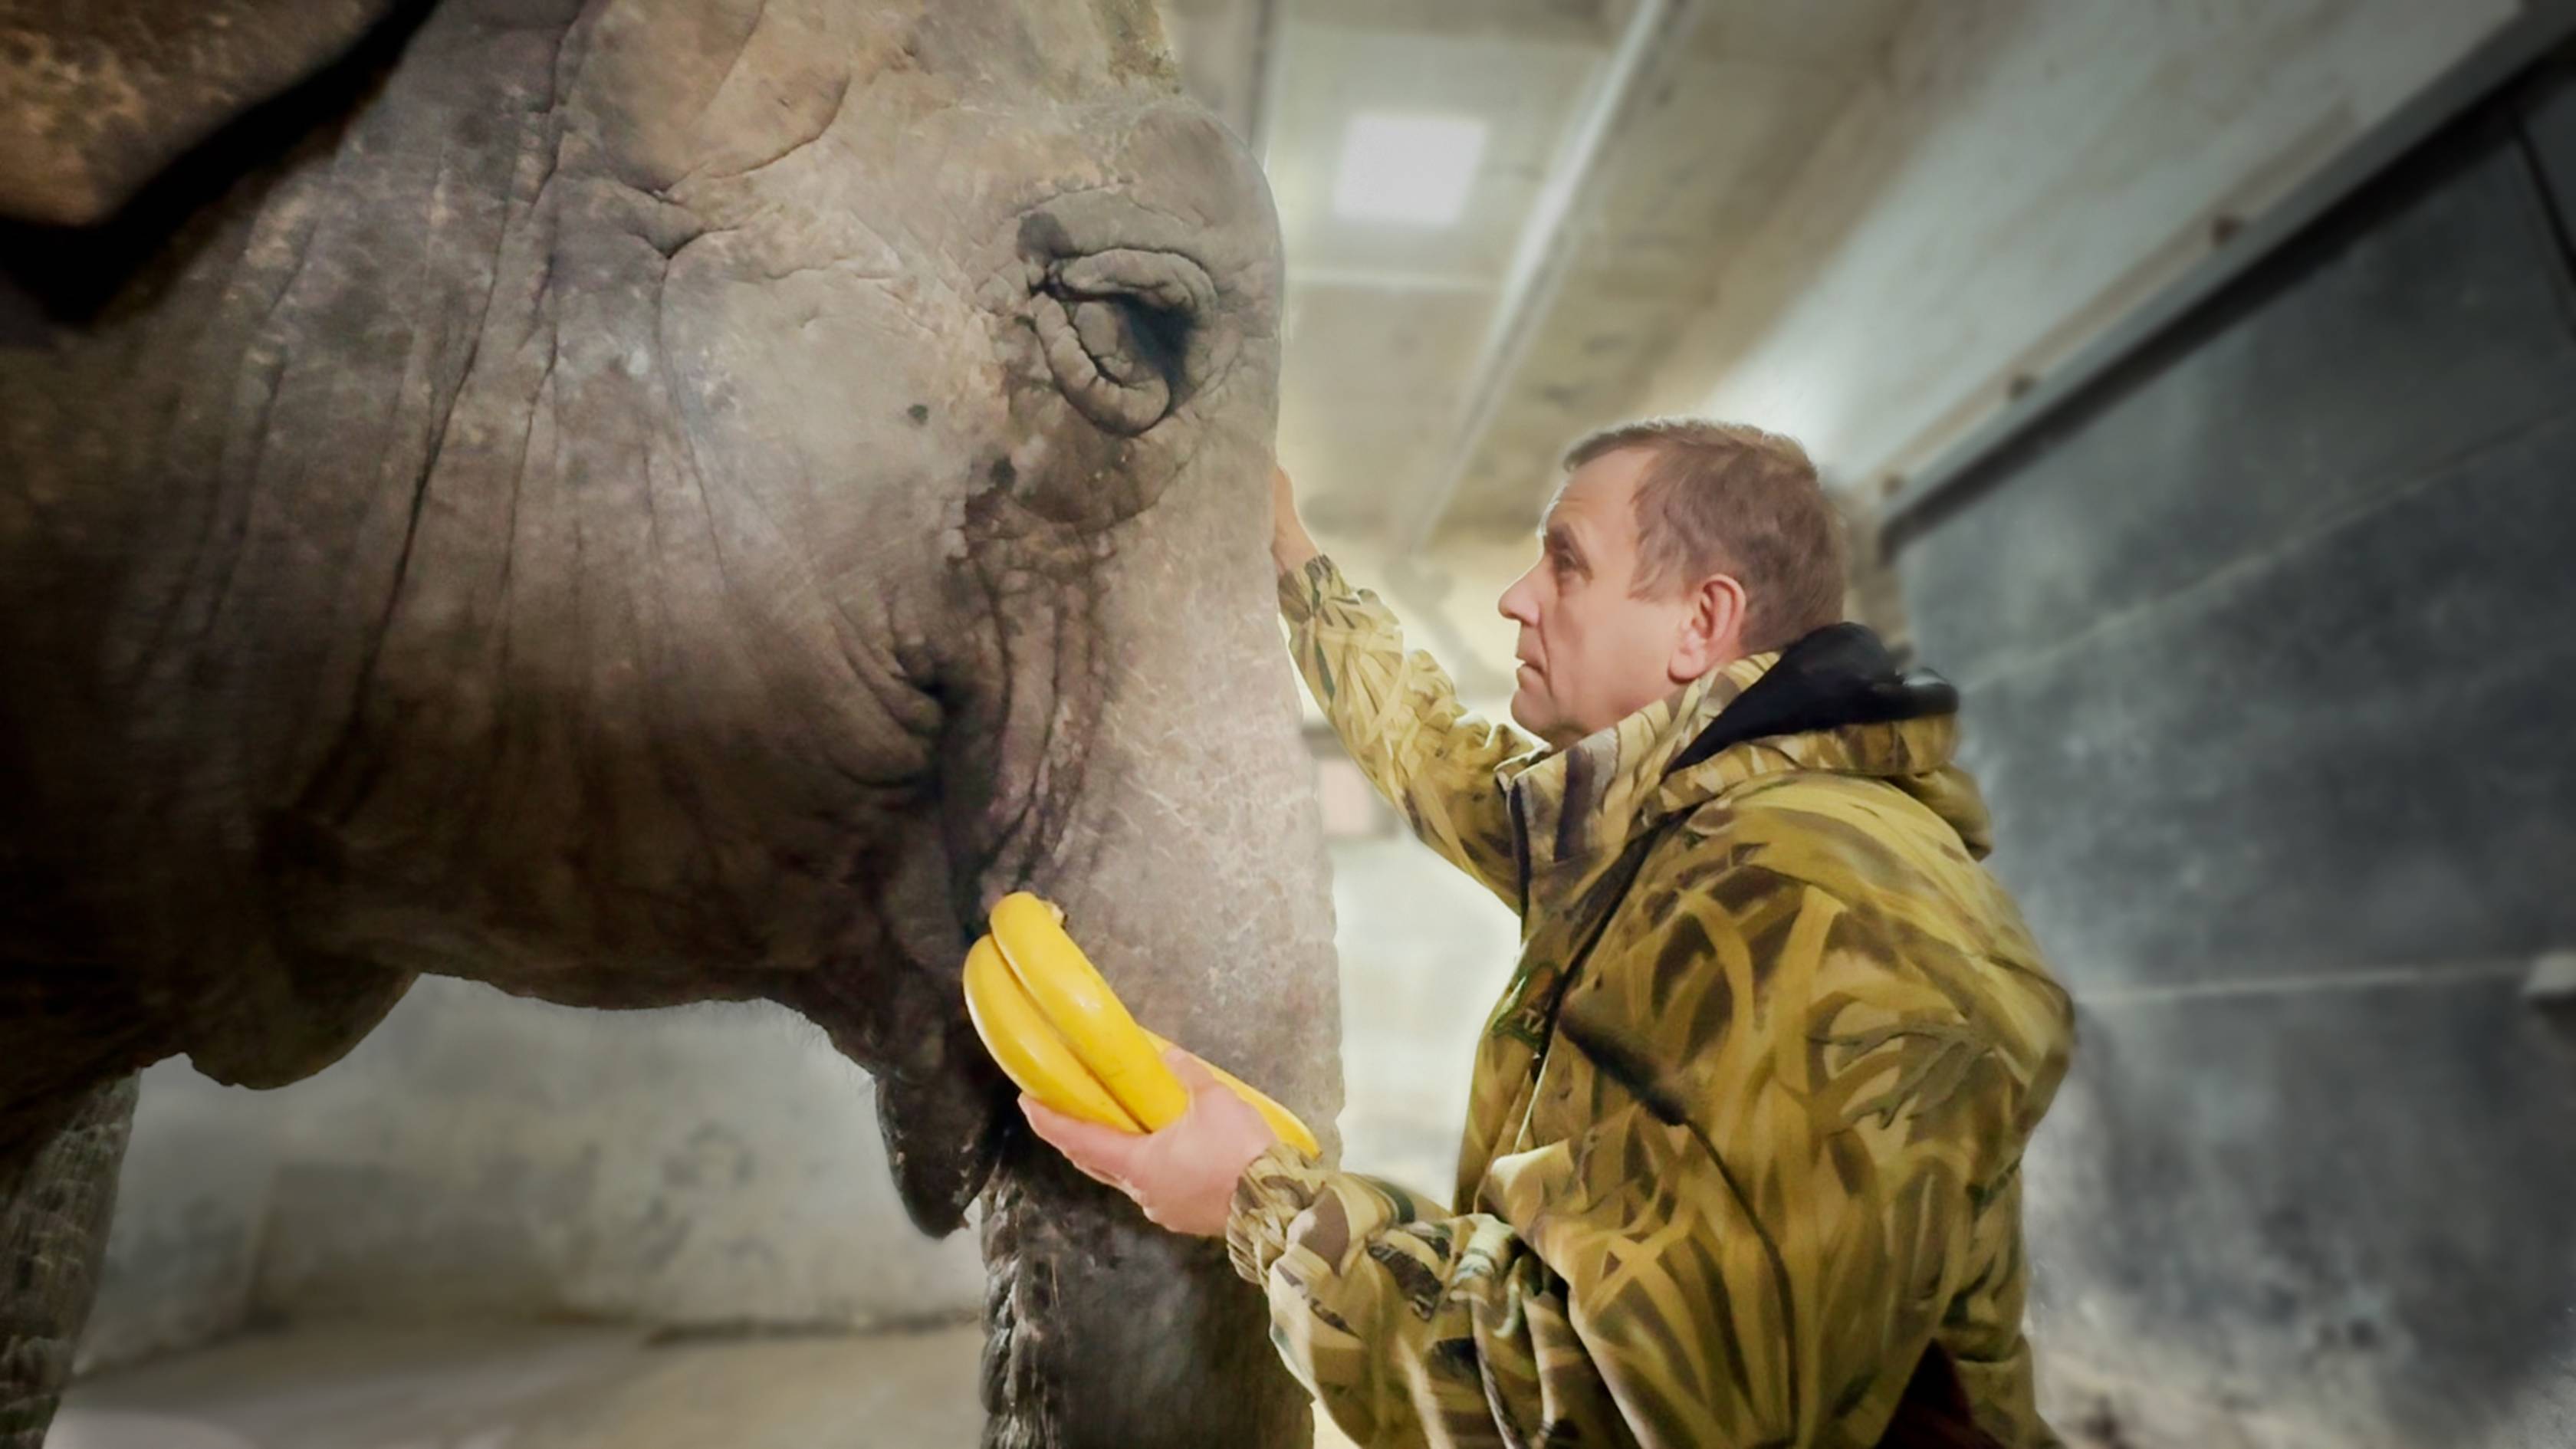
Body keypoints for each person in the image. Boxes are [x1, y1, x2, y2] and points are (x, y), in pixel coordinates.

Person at [1022, 419, 2076, 1448]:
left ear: (1701, 622)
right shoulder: (1667, 829)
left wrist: (1264, 1202)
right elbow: (1438, 759)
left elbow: (1627, 1406)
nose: (1515, 598)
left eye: (1566, 565)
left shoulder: (1825, 907)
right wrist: (1294, 560)